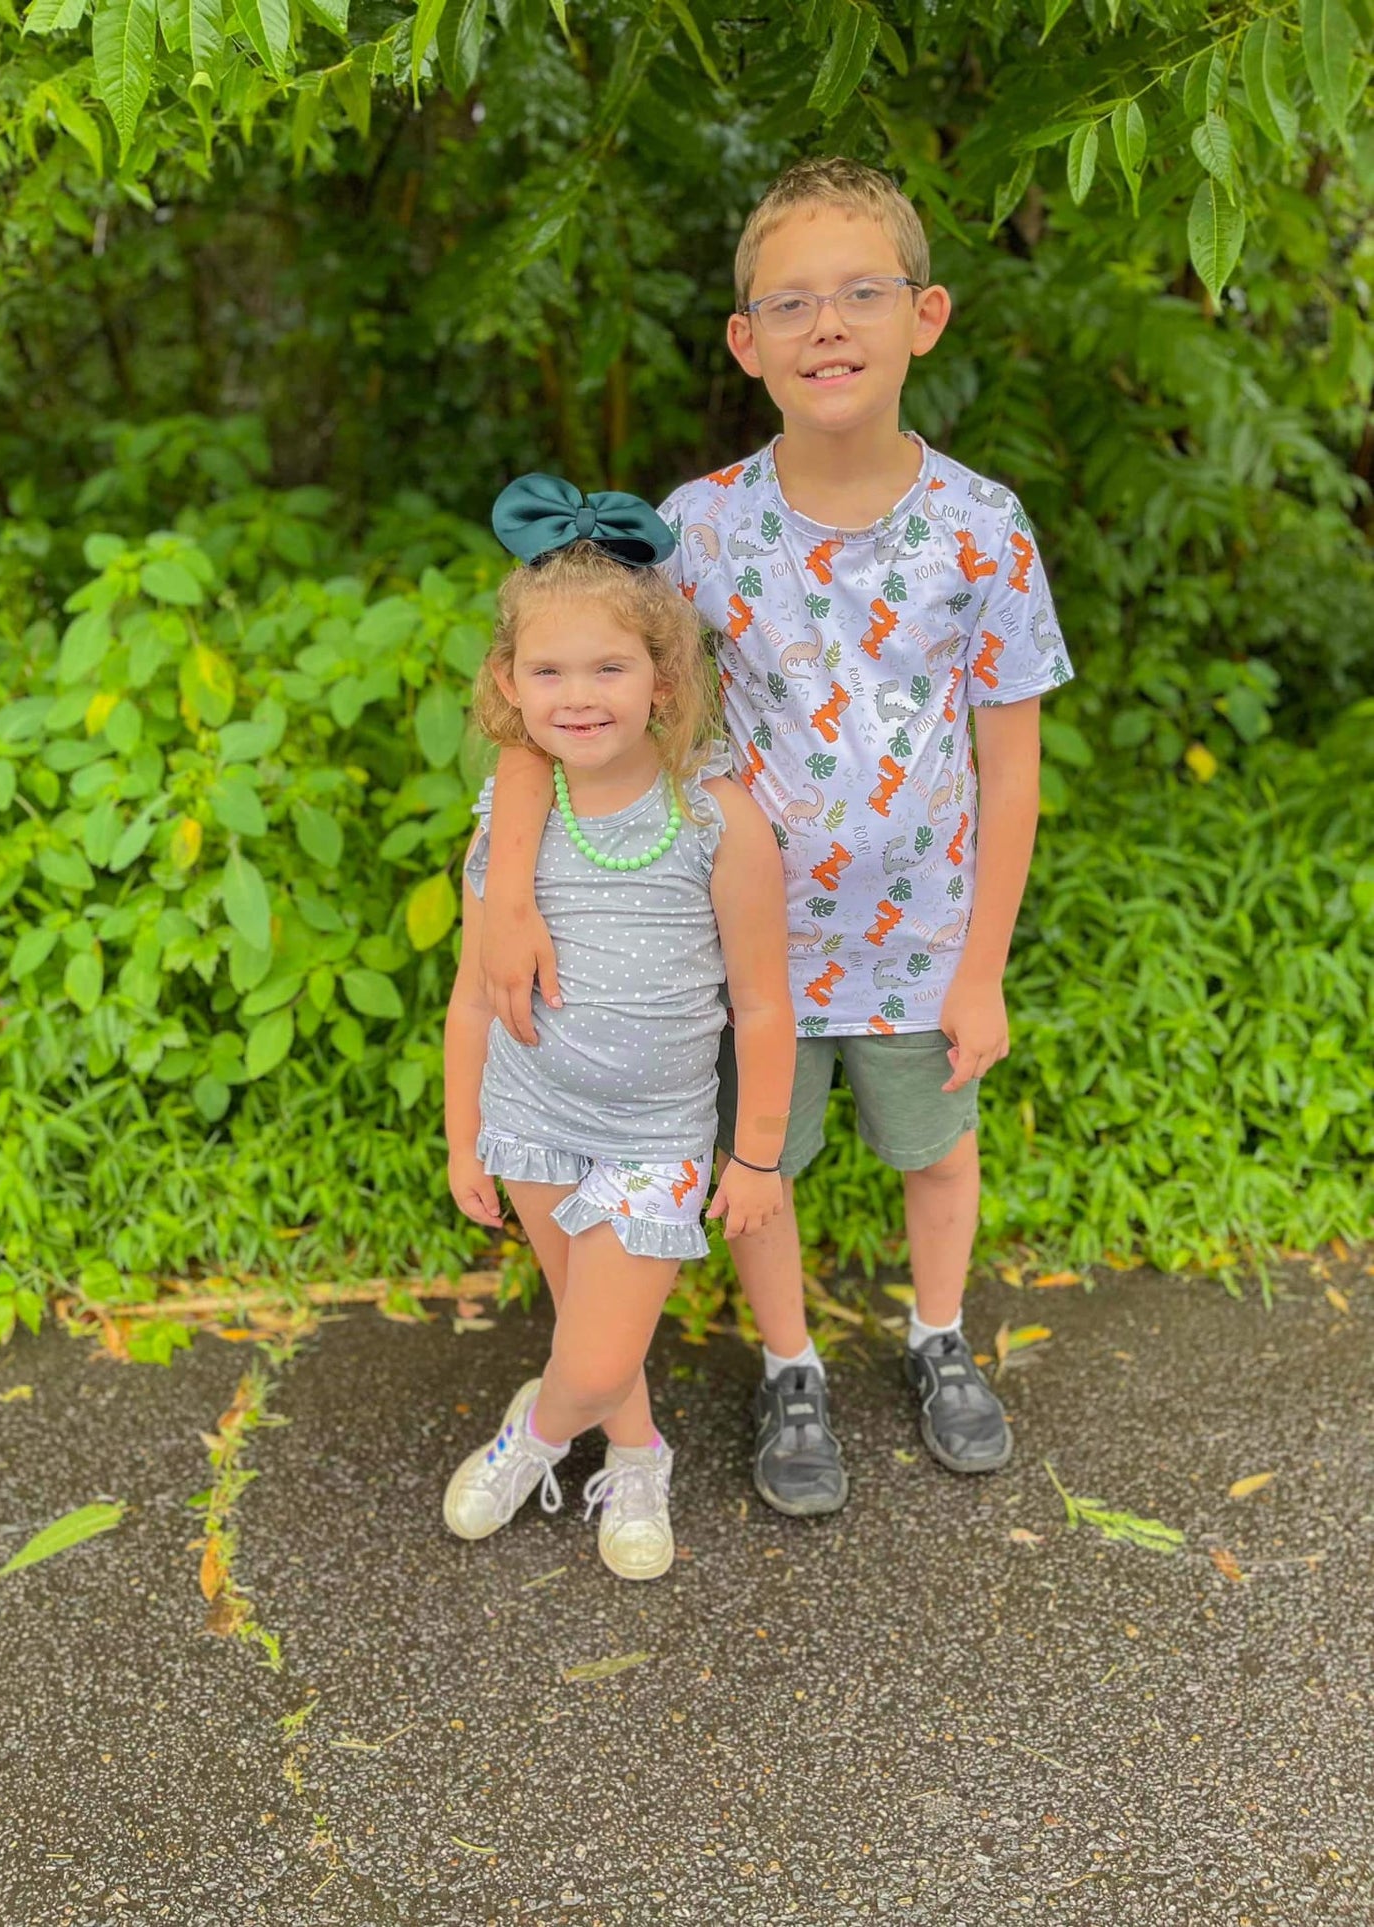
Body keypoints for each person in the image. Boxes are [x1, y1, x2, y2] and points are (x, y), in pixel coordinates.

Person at [479, 158, 1075, 1515]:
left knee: (933, 1145)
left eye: (861, 292)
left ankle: (937, 1333)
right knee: (763, 1164)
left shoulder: (981, 529)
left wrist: (981, 963)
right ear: (747, 343)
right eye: (791, 301)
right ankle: (791, 1361)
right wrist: (508, 893)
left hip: (920, 938)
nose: (828, 324)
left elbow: (1011, 765)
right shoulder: (697, 528)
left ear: (923, 316)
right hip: (744, 947)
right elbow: (564, 701)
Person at [442, 474, 794, 1580]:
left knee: (592, 1346)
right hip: (532, 1116)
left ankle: (534, 1430)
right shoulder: (509, 817)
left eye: (609, 666)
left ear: (661, 678)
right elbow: (468, 993)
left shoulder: (713, 818)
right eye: (548, 670)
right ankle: (633, 1455)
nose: (577, 694)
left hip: (652, 1133)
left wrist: (755, 1153)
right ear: (509, 681)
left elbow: (761, 1001)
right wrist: (463, 1135)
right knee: (592, 1322)